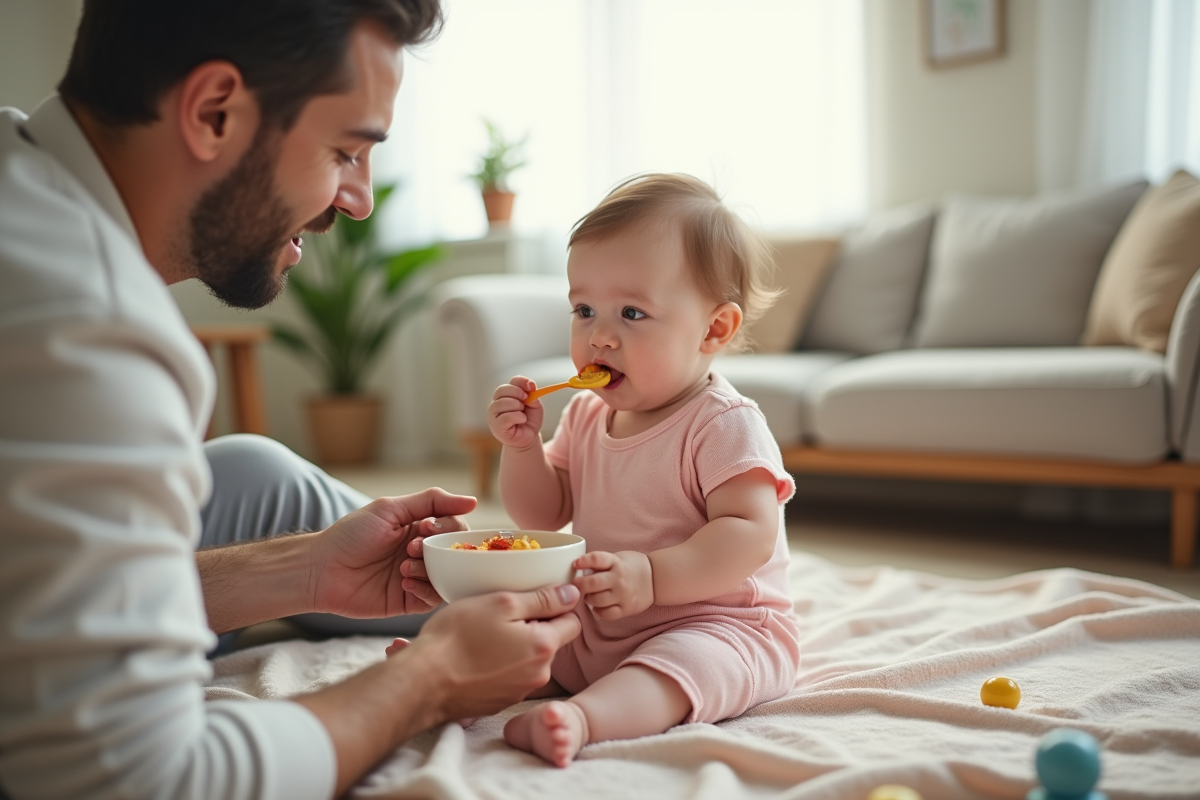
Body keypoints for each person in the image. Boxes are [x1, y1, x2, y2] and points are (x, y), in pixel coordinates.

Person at [0, 2, 582, 799]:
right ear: (215, 112)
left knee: (256, 476)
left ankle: (535, 606)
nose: (360, 199)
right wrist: (434, 679)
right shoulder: (86, 329)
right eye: (346, 151)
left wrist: (306, 571)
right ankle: (575, 628)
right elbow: (134, 780)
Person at [486, 173, 801, 767]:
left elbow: (750, 533)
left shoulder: (723, 422)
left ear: (714, 328)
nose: (600, 336)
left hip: (716, 624)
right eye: (584, 310)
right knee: (526, 622)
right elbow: (542, 514)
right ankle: (460, 680)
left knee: (685, 664)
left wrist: (652, 577)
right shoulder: (585, 412)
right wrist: (523, 449)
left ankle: (584, 718)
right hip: (599, 618)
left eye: (632, 312)